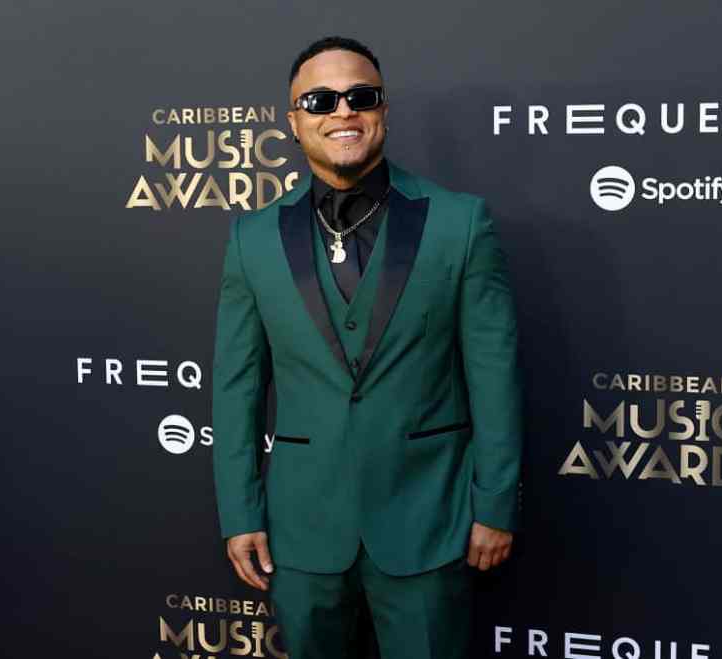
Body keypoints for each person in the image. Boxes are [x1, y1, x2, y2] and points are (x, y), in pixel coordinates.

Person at [211, 35, 524, 659]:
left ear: (383, 109)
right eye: (321, 100)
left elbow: (495, 375)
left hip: (430, 521)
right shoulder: (252, 239)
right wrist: (240, 512)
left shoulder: (460, 223)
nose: (343, 112)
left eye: (361, 96)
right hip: (300, 532)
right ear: (294, 121)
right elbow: (236, 386)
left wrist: (495, 504)